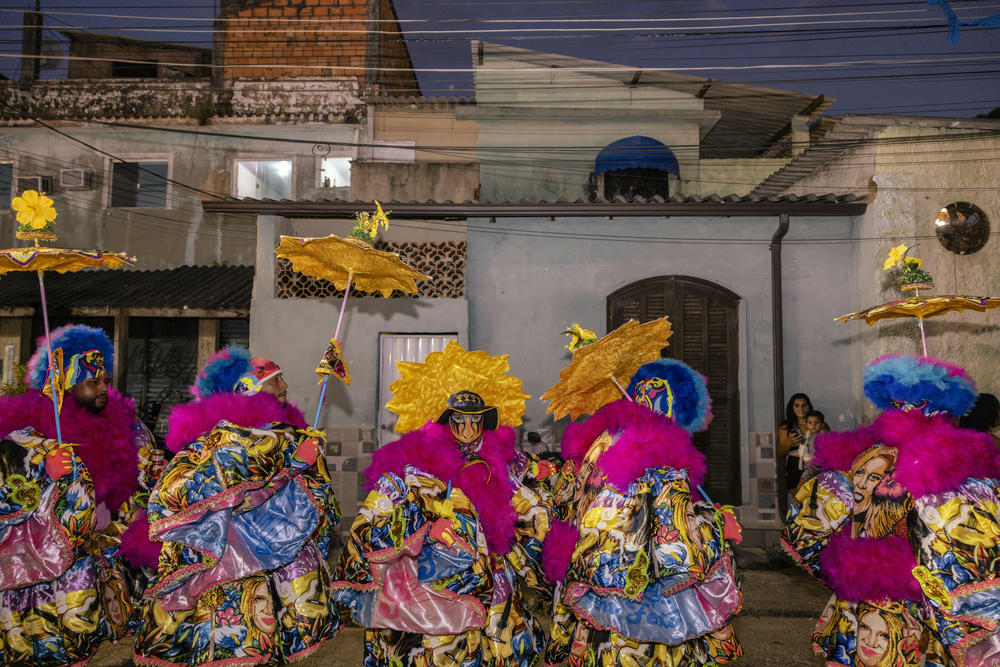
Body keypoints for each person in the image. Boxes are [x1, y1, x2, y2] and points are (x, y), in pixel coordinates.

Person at [783, 354, 1000, 666]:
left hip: (861, 590)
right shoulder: (957, 462)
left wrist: (841, 558)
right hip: (920, 595)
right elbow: (974, 543)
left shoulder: (862, 453)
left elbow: (807, 530)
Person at [133, 346, 341, 666]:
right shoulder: (219, 440)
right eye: (275, 380)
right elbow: (217, 495)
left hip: (276, 560)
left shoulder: (282, 436)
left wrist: (306, 467)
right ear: (248, 388)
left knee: (267, 647)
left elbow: (307, 499)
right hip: (229, 561)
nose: (284, 386)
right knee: (234, 645)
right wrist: (291, 466)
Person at [542, 358, 743, 666]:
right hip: (650, 592)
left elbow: (566, 501)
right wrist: (717, 525)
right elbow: (674, 537)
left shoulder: (603, 441)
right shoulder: (661, 452)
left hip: (602, 585)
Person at [332, 388, 555, 665]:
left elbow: (521, 481)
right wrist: (426, 528)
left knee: (495, 637)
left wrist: (540, 471)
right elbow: (379, 516)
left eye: (476, 419)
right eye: (461, 419)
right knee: (437, 647)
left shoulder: (498, 460)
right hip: (433, 574)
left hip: (486, 568)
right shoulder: (419, 464)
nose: (469, 427)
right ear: (449, 421)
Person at [0, 324, 160, 664]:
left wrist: (153, 473)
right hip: (49, 562)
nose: (103, 388)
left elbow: (141, 483)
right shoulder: (27, 427)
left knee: (93, 635)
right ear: (67, 385)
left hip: (104, 550)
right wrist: (43, 466)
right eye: (93, 382)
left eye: (105, 381)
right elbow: (8, 474)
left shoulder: (126, 425)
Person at [778, 392, 814, 492]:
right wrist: (789, 442)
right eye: (797, 405)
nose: (801, 409)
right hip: (794, 466)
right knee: (799, 502)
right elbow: (780, 453)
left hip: (814, 465)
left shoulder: (817, 423)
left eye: (804, 405)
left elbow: (829, 443)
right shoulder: (786, 427)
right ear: (792, 407)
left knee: (816, 502)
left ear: (809, 406)